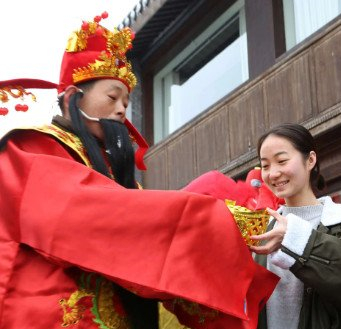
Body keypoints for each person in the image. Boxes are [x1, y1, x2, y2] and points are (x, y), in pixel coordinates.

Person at [0, 12, 278, 329]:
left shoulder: (115, 174)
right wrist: (216, 220)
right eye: (112, 97)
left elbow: (154, 253)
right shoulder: (30, 150)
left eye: (127, 100)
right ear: (72, 99)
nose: (122, 109)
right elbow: (97, 218)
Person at [251, 123, 341, 329]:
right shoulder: (262, 230)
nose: (273, 173)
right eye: (265, 165)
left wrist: (295, 238)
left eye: (282, 161)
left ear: (311, 160)